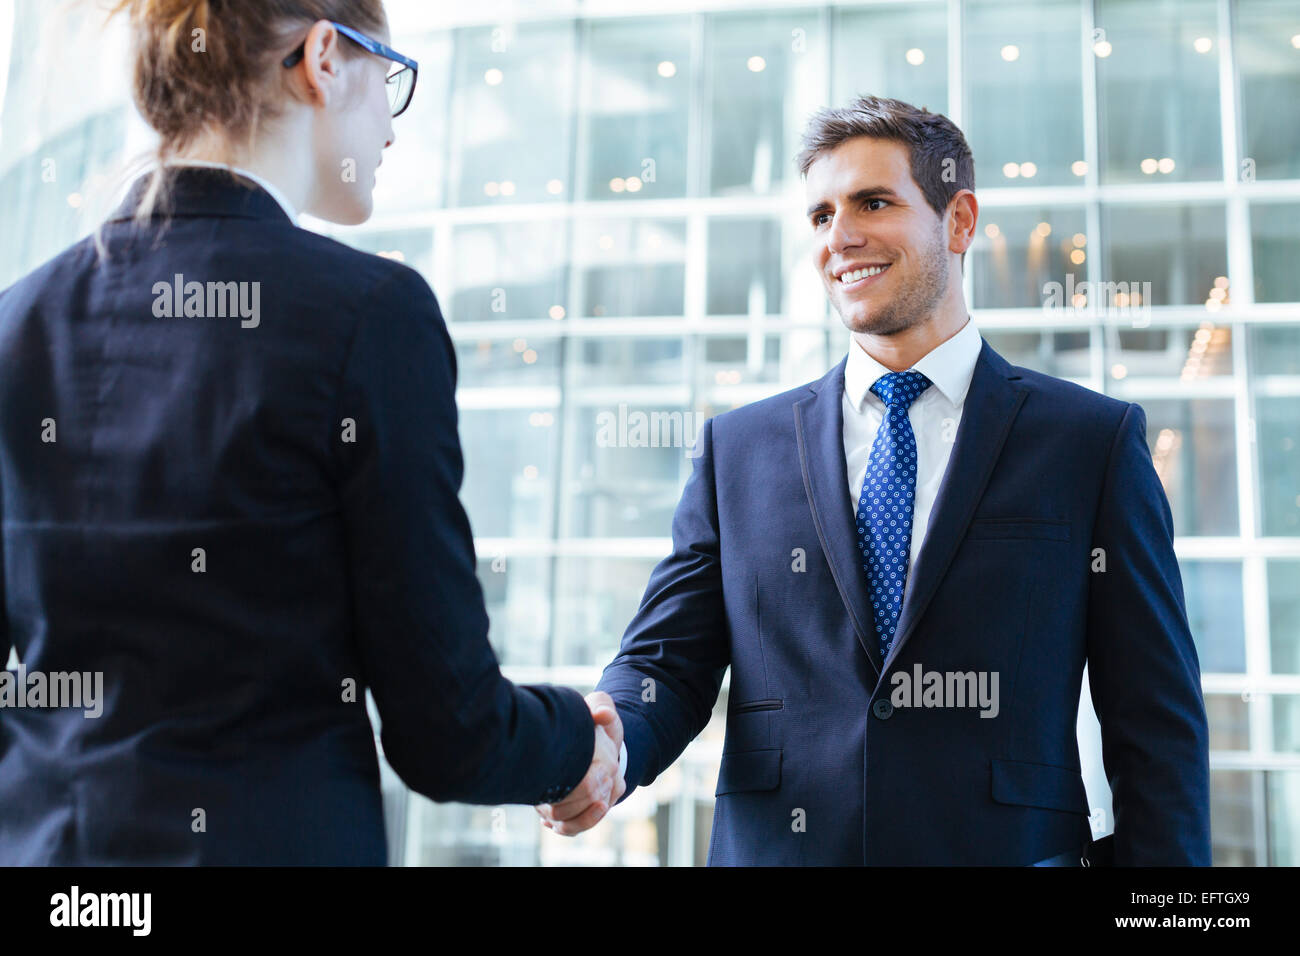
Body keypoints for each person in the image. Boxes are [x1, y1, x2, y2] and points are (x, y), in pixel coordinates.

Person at [0, 0, 622, 865]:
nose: (392, 133)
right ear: (324, 57)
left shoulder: (16, 324)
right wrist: (576, 739)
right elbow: (448, 729)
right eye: (389, 82)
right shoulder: (369, 316)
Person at [539, 95, 1212, 866]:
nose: (842, 237)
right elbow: (667, 662)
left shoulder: (1089, 442)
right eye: (821, 215)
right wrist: (609, 744)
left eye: (873, 202)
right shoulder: (739, 449)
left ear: (959, 221)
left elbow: (1155, 723)